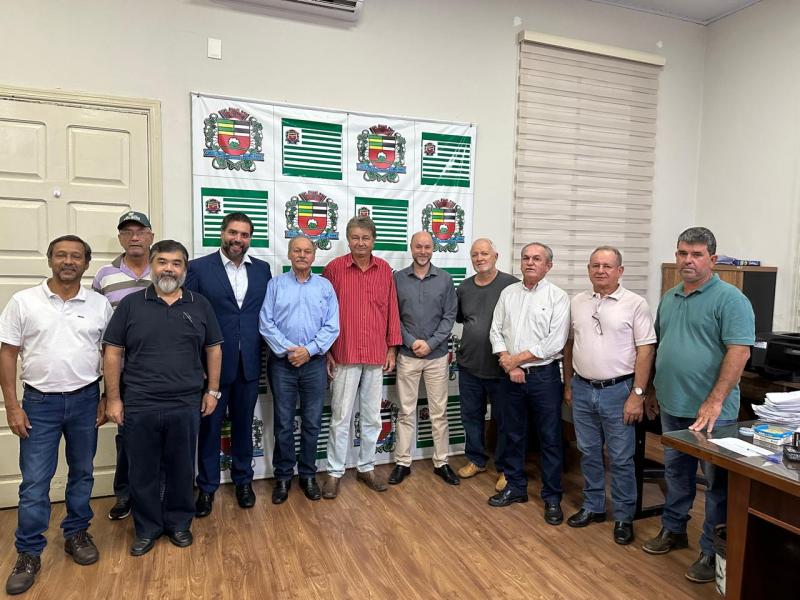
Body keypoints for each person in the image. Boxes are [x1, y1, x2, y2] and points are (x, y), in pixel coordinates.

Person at [0, 235, 113, 595]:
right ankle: (29, 553)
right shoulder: (24, 302)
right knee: (35, 483)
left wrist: (108, 396)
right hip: (39, 404)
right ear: (50, 260)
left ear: (86, 263)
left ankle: (76, 533)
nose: (68, 261)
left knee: (82, 474)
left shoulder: (99, 305)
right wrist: (12, 406)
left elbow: (111, 353)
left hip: (85, 401)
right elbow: (8, 354)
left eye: (76, 256)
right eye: (61, 255)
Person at [642, 227, 754, 584]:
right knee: (676, 474)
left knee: (717, 483)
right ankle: (674, 530)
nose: (687, 261)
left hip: (713, 414)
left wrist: (715, 400)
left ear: (713, 259)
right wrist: (655, 391)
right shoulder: (671, 296)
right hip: (673, 405)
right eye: (682, 253)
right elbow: (663, 346)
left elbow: (739, 352)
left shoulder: (730, 299)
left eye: (696, 254)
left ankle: (710, 548)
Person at [103, 240, 223, 557]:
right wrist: (113, 399)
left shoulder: (200, 305)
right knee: (142, 470)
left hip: (186, 403)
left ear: (185, 268)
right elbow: (113, 351)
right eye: (162, 262)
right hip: (140, 402)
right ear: (153, 265)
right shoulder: (131, 304)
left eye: (176, 263)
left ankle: (179, 524)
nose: (169, 268)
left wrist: (212, 390)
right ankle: (147, 528)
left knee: (182, 468)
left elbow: (214, 348)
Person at [562, 246, 656, 545]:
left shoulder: (635, 304)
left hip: (619, 392)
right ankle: (593, 506)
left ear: (620, 271)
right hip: (582, 387)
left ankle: (625, 516)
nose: (600, 271)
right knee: (588, 452)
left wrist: (637, 394)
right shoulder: (577, 302)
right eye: (595, 265)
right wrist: (568, 383)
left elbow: (646, 350)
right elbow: (569, 345)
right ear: (588, 269)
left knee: (620, 458)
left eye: (607, 266)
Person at [185, 213, 272, 516]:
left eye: (245, 234)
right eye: (233, 233)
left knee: (244, 425)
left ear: (251, 238)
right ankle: (207, 487)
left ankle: (243, 481)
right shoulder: (198, 268)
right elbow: (191, 317)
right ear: (222, 233)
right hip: (212, 368)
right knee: (209, 428)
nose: (238, 239)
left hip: (249, 363)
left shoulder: (262, 270)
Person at [487, 242, 570, 526]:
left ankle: (552, 497)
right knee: (512, 433)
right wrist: (506, 360)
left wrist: (517, 361)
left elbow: (554, 342)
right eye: (526, 258)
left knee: (549, 438)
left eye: (537, 259)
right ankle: (515, 487)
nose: (530, 263)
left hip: (544, 377)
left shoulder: (558, 297)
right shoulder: (508, 293)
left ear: (548, 265)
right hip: (510, 376)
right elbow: (495, 330)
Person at [321, 216, 401, 499]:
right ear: (347, 239)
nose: (360, 243)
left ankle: (367, 467)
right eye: (355, 238)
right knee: (340, 417)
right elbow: (324, 312)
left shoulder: (385, 270)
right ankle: (334, 473)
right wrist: (328, 351)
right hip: (344, 353)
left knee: (372, 417)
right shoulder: (334, 269)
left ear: (373, 240)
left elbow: (391, 309)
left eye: (365, 238)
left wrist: (392, 348)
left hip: (376, 354)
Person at [259, 235, 339, 503]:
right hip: (283, 364)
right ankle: (283, 477)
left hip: (314, 364)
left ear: (314, 256)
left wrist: (309, 350)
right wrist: (289, 350)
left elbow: (332, 326)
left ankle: (307, 475)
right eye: (297, 250)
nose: (302, 255)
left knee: (313, 423)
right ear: (290, 254)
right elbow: (266, 323)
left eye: (307, 251)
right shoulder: (275, 285)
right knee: (282, 423)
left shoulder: (325, 287)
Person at [92, 210, 154, 521]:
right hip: (123, 372)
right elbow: (96, 328)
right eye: (127, 232)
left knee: (158, 436)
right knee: (126, 436)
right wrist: (107, 389)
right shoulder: (105, 276)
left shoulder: (164, 270)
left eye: (140, 231)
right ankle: (125, 494)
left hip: (160, 372)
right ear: (120, 238)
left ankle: (157, 496)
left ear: (150, 236)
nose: (134, 237)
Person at [389, 231, 459, 486]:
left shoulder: (445, 279)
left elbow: (449, 316)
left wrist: (429, 344)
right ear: (411, 248)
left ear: (433, 249)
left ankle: (442, 462)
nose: (422, 251)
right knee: (406, 412)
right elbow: (393, 316)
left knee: (439, 413)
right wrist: (411, 342)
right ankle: (402, 463)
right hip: (407, 356)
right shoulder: (397, 279)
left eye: (427, 247)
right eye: (418, 246)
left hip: (437, 356)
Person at [455, 238, 518, 492]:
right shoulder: (464, 288)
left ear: (496, 256)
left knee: (504, 420)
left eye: (484, 253)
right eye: (475, 255)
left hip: (501, 368)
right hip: (469, 365)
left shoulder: (511, 285)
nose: (480, 258)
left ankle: (504, 467)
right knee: (471, 416)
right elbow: (463, 319)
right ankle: (476, 459)